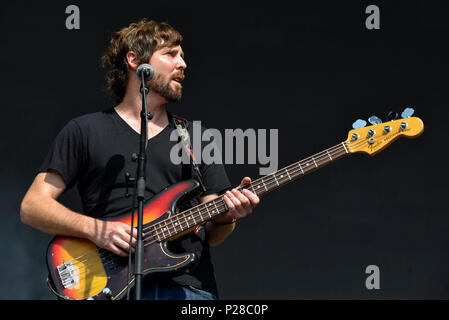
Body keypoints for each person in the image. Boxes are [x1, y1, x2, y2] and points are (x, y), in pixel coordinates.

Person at [19, 19, 260, 300]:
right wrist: (97, 230)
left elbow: (214, 233)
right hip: (108, 288)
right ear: (134, 60)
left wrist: (227, 217)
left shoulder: (197, 138)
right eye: (171, 54)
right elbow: (32, 206)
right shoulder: (84, 130)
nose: (183, 64)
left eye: (182, 56)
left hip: (188, 289)